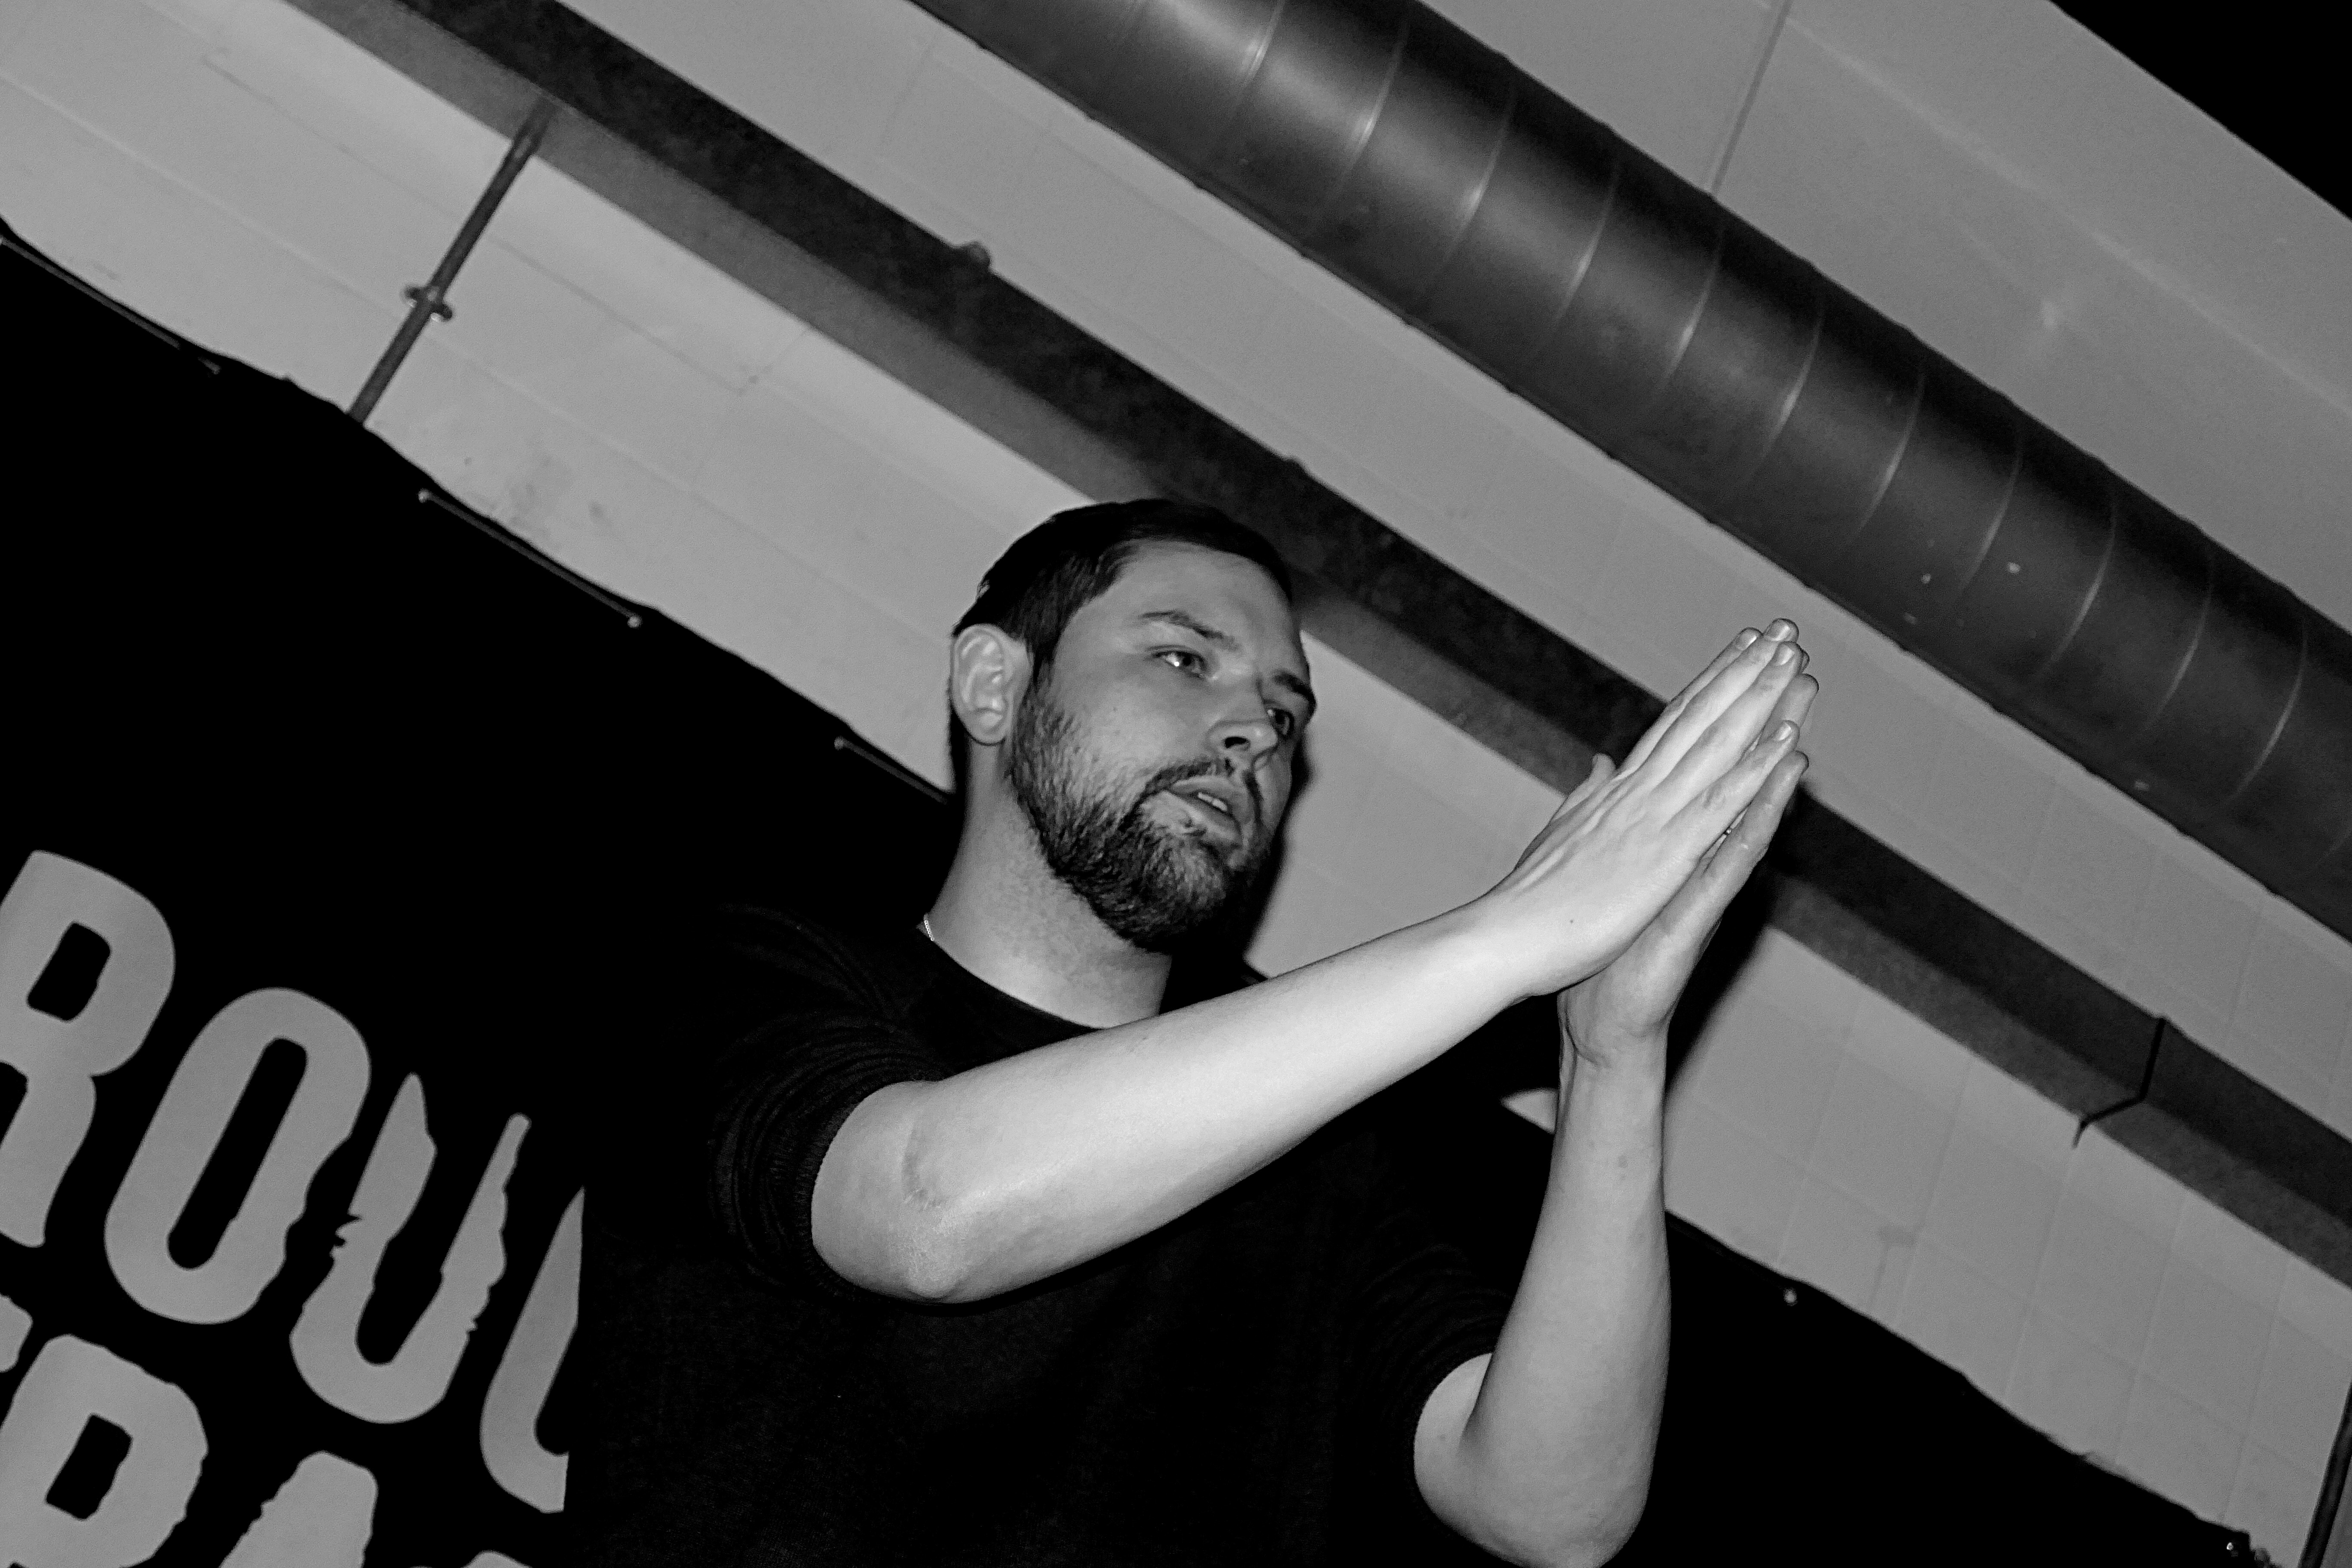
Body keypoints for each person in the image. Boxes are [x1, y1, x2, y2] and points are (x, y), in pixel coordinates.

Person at [576, 499, 1814, 1567]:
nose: (1253, 734)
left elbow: (1554, 1511)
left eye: (1285, 715)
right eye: (1183, 660)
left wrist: (1609, 1055)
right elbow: (928, 1210)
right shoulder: (753, 977)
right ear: (994, 685)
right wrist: (1502, 938)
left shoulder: (1310, 1165)